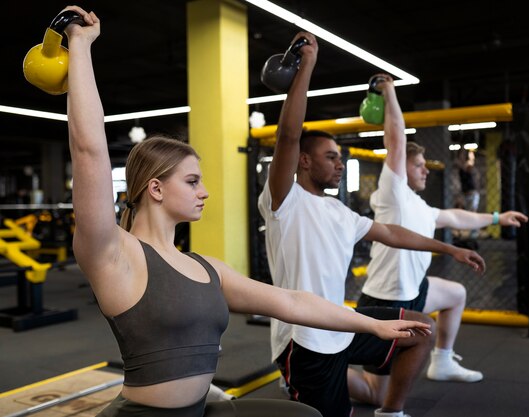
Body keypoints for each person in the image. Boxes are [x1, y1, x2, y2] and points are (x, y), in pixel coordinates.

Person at [62, 7, 432, 417]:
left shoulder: (206, 269)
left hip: (203, 407)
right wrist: (80, 47)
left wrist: (373, 326)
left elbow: (292, 301)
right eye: (191, 182)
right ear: (155, 189)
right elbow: (89, 150)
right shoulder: (115, 255)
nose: (205, 192)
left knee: (305, 415)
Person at [257, 33, 485, 417]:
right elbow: (289, 135)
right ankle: (294, 381)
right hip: (304, 339)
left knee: (418, 330)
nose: (340, 163)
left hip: (341, 325)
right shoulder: (285, 202)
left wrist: (450, 247)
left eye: (340, 157)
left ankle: (390, 412)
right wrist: (307, 66)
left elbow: (392, 233)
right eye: (331, 157)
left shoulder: (340, 213)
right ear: (304, 162)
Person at [357, 75, 528, 390]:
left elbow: (453, 216)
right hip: (384, 300)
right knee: (375, 395)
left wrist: (496, 217)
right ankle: (308, 369)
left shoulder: (420, 206)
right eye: (418, 164)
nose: (425, 169)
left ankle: (443, 360)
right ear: (400, 168)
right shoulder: (393, 194)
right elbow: (395, 137)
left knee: (455, 294)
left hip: (415, 292)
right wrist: (390, 92)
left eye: (424, 164)